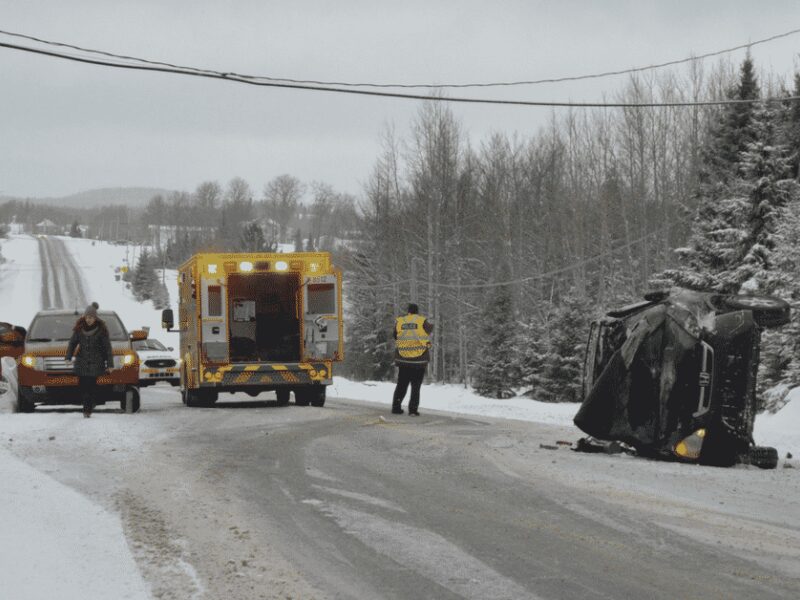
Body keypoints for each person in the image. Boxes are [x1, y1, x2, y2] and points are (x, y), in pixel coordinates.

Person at [65, 302, 113, 418]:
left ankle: (87, 409)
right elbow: (72, 343)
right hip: (81, 363)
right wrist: (68, 357)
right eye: (87, 317)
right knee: (83, 387)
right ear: (84, 317)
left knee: (91, 387)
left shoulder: (101, 330)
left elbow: (107, 348)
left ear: (95, 318)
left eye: (91, 317)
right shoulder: (79, 329)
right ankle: (88, 406)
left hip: (96, 364)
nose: (89, 320)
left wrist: (110, 364)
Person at [391, 303, 433, 416]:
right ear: (417, 311)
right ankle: (413, 410)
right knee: (416, 386)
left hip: (403, 359)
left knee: (401, 384)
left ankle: (396, 407)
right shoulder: (421, 321)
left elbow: (395, 335)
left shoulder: (400, 321)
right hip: (419, 360)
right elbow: (429, 330)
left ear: (408, 311)